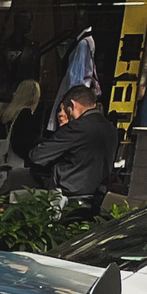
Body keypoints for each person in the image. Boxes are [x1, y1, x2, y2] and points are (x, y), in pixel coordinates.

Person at [29, 82, 115, 212]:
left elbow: (37, 156)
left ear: (73, 105)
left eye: (66, 110)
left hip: (69, 200)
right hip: (99, 199)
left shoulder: (77, 127)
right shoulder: (111, 129)